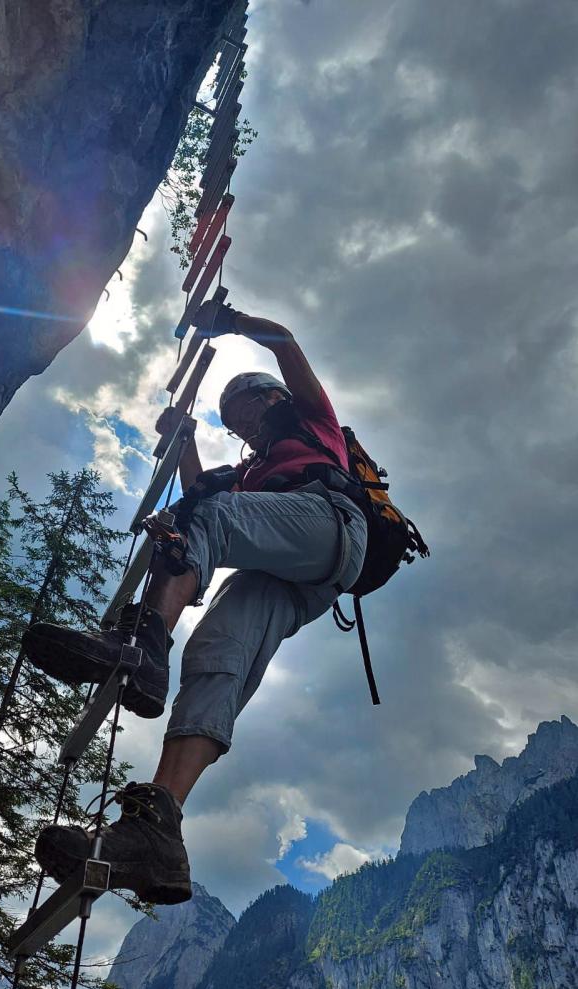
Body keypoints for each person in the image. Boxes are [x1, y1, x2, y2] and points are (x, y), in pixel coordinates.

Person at [21, 300, 368, 905]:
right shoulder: (249, 471)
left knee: (204, 521)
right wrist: (185, 440)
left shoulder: (313, 424)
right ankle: (157, 829)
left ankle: (141, 646)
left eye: (247, 413)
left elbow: (284, 341)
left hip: (327, 523)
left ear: (272, 400)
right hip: (297, 575)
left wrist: (231, 323)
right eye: (233, 423)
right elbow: (198, 495)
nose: (245, 428)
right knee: (216, 653)